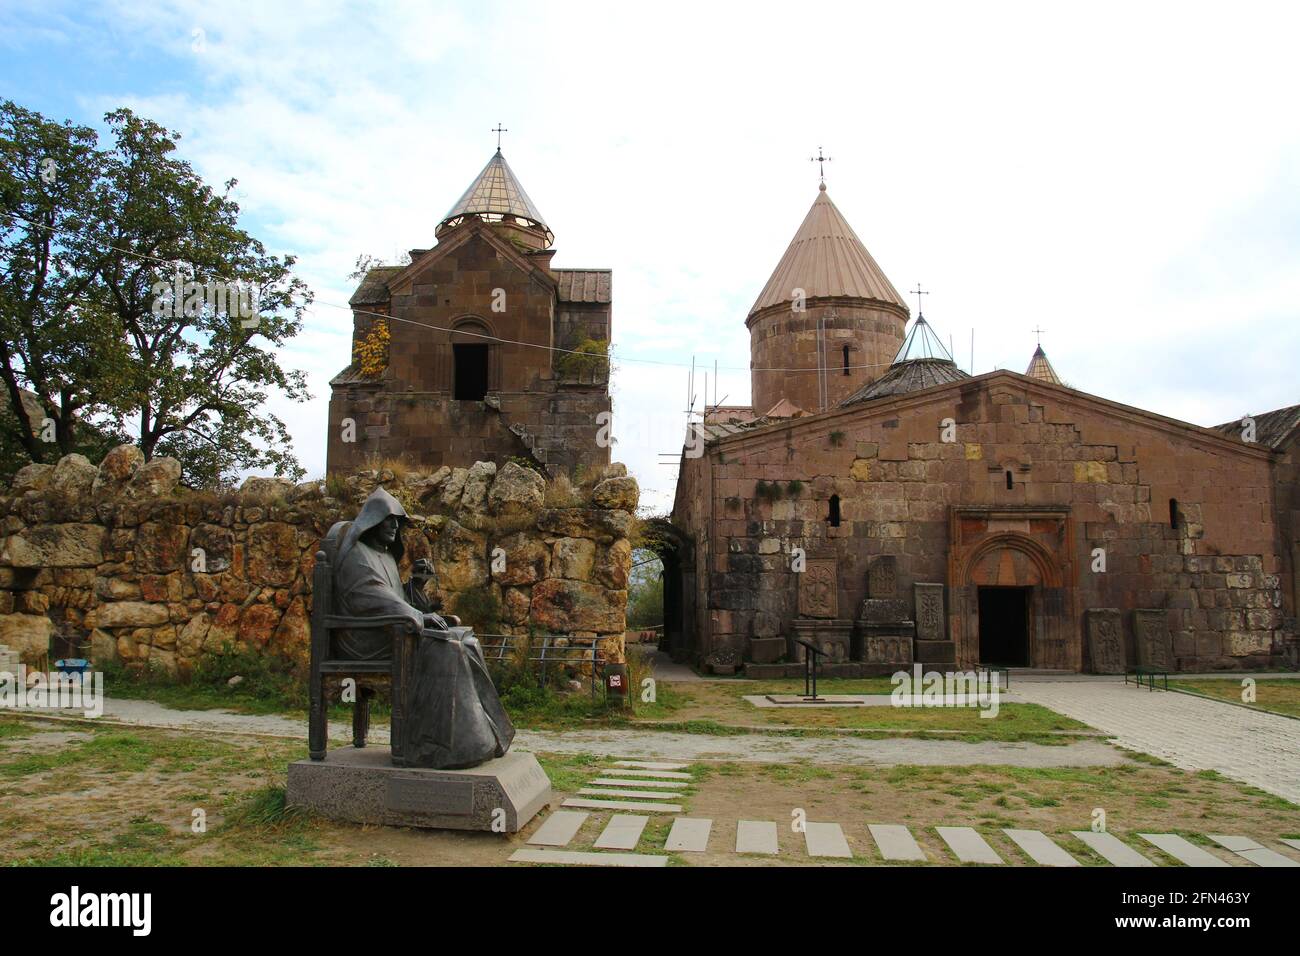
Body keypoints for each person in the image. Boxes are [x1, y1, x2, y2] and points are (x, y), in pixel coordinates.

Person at [334, 487, 515, 769]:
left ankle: (491, 736)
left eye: (398, 521)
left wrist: (415, 586)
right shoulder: (357, 554)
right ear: (372, 521)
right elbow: (371, 597)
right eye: (389, 520)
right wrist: (417, 616)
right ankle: (439, 746)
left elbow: (396, 598)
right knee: (449, 647)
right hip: (366, 638)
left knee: (466, 640)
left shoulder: (384, 556)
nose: (395, 526)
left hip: (392, 630)